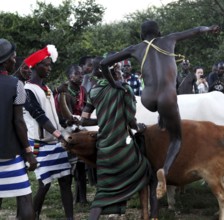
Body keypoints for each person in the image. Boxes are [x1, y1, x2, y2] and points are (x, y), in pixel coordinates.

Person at [100, 20, 219, 199]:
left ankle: (161, 121)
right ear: (159, 32)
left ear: (142, 35)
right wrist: (209, 28)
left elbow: (103, 63)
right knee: (176, 138)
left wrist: (114, 84)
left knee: (163, 118)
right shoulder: (169, 39)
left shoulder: (135, 48)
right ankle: (165, 170)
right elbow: (195, 30)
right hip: (167, 98)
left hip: (148, 98)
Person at [80, 67, 149, 220]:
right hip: (123, 147)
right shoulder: (124, 89)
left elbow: (84, 119)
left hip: (104, 148)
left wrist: (105, 118)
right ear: (112, 73)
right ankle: (147, 214)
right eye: (118, 72)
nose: (121, 75)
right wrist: (140, 127)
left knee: (103, 192)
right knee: (144, 170)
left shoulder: (94, 91)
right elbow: (130, 119)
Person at [23, 45, 74, 219]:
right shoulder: (27, 90)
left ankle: (70, 218)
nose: (50, 68)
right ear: (36, 66)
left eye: (50, 64)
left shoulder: (47, 89)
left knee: (66, 180)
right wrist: (61, 135)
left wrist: (66, 124)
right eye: (46, 65)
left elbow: (52, 117)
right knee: (44, 184)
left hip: (55, 142)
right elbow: (39, 116)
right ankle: (33, 215)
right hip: (40, 144)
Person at [0, 38, 37, 220]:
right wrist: (29, 152)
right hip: (10, 155)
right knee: (24, 197)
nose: (15, 60)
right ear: (5, 61)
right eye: (13, 58)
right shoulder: (16, 85)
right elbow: (19, 122)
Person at [54, 64, 89, 204]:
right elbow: (63, 117)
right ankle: (71, 198)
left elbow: (86, 109)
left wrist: (83, 122)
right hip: (66, 130)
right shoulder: (64, 92)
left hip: (79, 128)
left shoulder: (82, 90)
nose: (81, 76)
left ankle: (82, 197)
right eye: (77, 74)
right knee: (70, 167)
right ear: (70, 77)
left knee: (82, 165)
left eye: (82, 73)